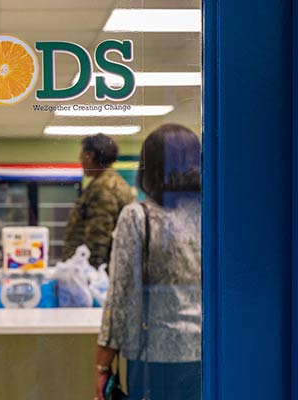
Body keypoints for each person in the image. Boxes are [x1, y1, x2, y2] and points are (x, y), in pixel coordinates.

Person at [94, 124, 202, 400]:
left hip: (154, 358)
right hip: (208, 354)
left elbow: (120, 296)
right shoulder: (212, 217)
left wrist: (103, 363)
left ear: (149, 167)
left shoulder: (137, 217)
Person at [63, 134, 134, 268]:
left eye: (82, 155)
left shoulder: (103, 188)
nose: (80, 160)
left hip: (95, 274)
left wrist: (89, 277)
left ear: (90, 155)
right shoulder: (113, 182)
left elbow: (98, 239)